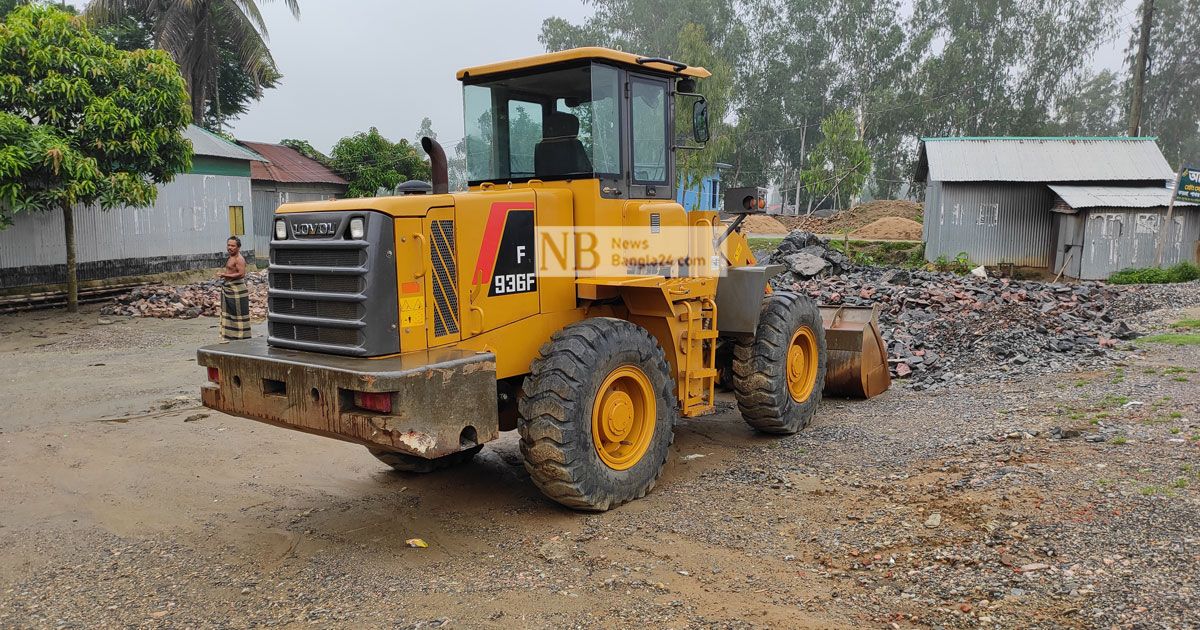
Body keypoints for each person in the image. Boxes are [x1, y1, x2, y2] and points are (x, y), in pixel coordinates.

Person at [218, 236, 250, 340]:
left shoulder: (239, 259)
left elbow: (241, 274)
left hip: (237, 289)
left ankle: (241, 337)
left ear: (238, 247)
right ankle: (229, 336)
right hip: (229, 288)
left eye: (233, 246)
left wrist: (225, 275)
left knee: (238, 315)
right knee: (229, 313)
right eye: (228, 245)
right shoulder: (230, 257)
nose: (230, 247)